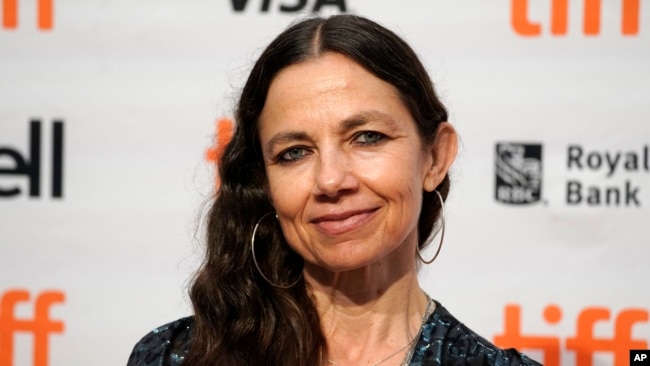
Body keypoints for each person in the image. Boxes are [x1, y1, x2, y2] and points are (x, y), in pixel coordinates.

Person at [127, 14, 542, 366]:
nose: (330, 180)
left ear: (434, 157)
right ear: (264, 181)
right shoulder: (174, 356)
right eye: (294, 153)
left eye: (366, 137)